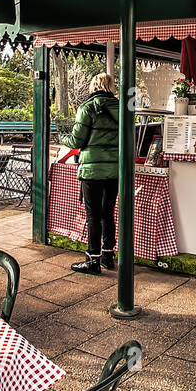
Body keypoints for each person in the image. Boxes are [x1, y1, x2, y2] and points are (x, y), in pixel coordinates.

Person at [69, 76, 124, 275]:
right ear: (111, 87)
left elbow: (77, 140)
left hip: (92, 170)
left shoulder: (88, 108)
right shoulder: (122, 109)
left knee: (93, 215)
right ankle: (108, 257)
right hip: (114, 169)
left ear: (94, 86)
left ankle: (93, 260)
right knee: (107, 213)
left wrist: (63, 137)